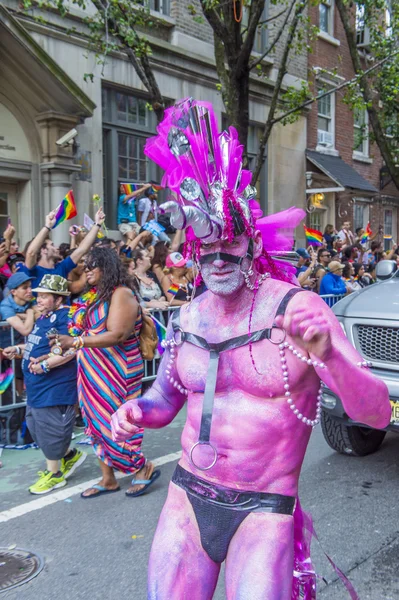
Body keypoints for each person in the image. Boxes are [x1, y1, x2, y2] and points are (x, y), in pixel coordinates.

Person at [111, 98, 391, 600]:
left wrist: (327, 356)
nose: (218, 260)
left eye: (230, 247)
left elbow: (372, 415)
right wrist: (135, 410)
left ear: (253, 245)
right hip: (187, 494)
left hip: (263, 507)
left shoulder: (298, 311)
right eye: (207, 250)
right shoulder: (190, 315)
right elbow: (164, 398)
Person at [49, 247, 160, 499]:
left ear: (106, 267)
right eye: (85, 267)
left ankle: (142, 467)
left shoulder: (121, 294)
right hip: (91, 370)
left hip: (117, 370)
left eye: (91, 266)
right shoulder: (94, 296)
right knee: (94, 422)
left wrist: (76, 343)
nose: (86, 271)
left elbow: (118, 335)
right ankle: (108, 479)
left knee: (118, 421)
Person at [3, 275, 87, 494]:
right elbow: (38, 344)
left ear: (58, 298)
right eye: (38, 295)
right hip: (37, 386)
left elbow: (69, 348)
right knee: (35, 427)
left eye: (44, 295)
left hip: (55, 386)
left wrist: (47, 365)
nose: (37, 299)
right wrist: (19, 350)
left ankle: (55, 475)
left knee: (50, 429)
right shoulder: (44, 317)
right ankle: (69, 455)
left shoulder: (66, 316)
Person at [23, 208, 106, 291]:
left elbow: (82, 249)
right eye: (52, 245)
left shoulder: (62, 266)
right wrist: (48, 226)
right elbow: (31, 253)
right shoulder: (33, 270)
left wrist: (97, 224)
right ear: (43, 250)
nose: (57, 247)